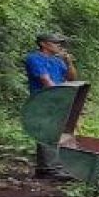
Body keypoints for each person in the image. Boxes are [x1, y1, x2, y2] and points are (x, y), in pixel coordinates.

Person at [24, 32, 78, 179]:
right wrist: (60, 97)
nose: (59, 46)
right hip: (43, 100)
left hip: (56, 98)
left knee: (60, 132)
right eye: (55, 43)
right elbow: (46, 81)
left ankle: (49, 168)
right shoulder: (34, 58)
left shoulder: (58, 61)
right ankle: (51, 169)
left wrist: (69, 62)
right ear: (44, 44)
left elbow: (71, 78)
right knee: (47, 133)